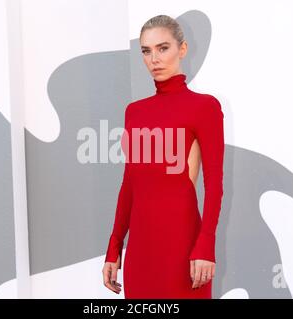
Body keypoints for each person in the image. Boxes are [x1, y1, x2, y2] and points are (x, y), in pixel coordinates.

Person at [102, 14, 225, 299]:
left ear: (182, 49)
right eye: (146, 50)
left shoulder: (204, 107)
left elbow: (215, 184)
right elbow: (130, 185)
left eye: (163, 48)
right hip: (141, 252)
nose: (154, 58)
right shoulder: (135, 111)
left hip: (184, 248)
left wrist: (206, 245)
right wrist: (114, 246)